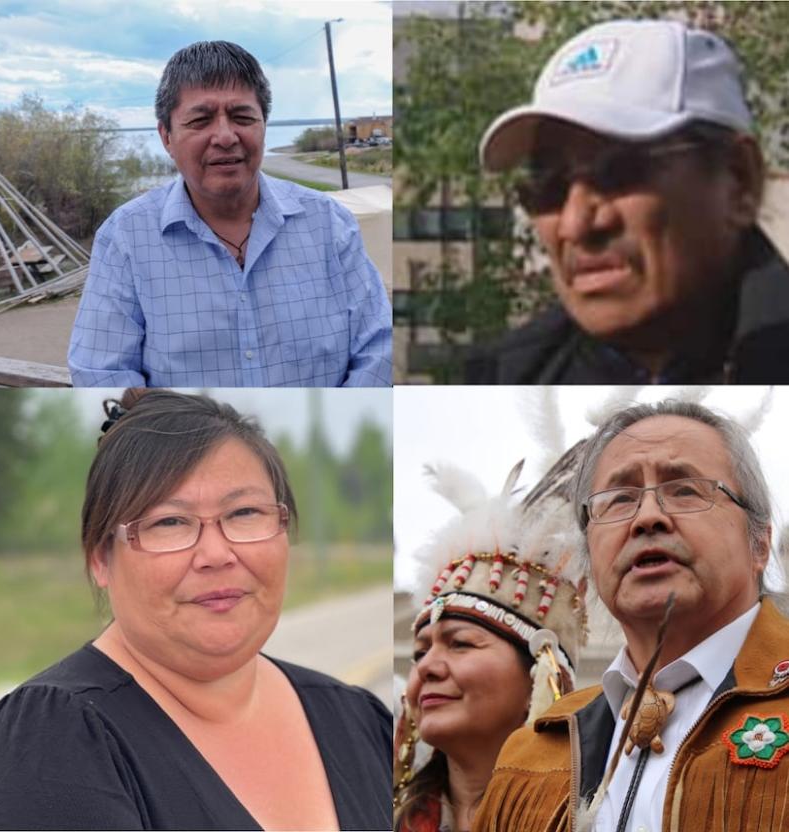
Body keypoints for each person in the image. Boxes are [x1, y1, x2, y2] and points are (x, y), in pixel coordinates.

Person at [0, 389, 393, 830]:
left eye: (245, 512)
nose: (217, 553)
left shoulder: (358, 719)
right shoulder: (51, 743)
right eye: (169, 522)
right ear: (100, 558)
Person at [474, 400, 789, 832]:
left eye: (685, 490)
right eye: (619, 499)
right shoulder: (529, 756)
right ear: (588, 552)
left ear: (760, 543)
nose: (648, 518)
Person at [466, 19, 789, 384]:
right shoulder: (508, 385)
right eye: (549, 187)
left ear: (739, 181)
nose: (576, 224)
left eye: (620, 171)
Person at [67, 41, 393, 388]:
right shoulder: (126, 238)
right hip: (187, 444)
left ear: (263, 126)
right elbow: (102, 374)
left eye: (242, 117)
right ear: (166, 136)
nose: (225, 136)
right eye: (200, 120)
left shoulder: (330, 224)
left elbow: (380, 348)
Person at [395, 446, 588, 832]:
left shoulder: (606, 816)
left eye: (460, 643)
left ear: (541, 674)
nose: (427, 668)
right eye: (419, 652)